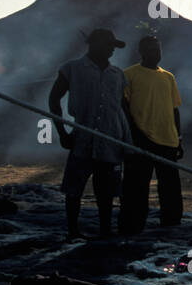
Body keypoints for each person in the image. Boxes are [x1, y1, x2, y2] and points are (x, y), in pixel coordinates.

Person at [48, 29, 132, 239]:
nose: (111, 49)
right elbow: (54, 100)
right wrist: (62, 132)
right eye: (108, 44)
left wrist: (126, 139)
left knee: (106, 191)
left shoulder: (117, 74)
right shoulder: (72, 68)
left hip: (111, 139)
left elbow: (122, 109)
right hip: (82, 138)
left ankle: (105, 231)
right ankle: (73, 231)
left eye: (113, 45)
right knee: (74, 188)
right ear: (93, 44)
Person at [120, 35, 183, 233]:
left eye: (158, 49)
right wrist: (133, 135)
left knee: (170, 186)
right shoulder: (129, 75)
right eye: (150, 49)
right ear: (142, 51)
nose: (155, 53)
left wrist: (178, 138)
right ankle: (133, 224)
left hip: (168, 139)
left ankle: (171, 222)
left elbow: (174, 109)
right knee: (136, 186)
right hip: (141, 139)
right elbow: (123, 107)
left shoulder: (168, 77)